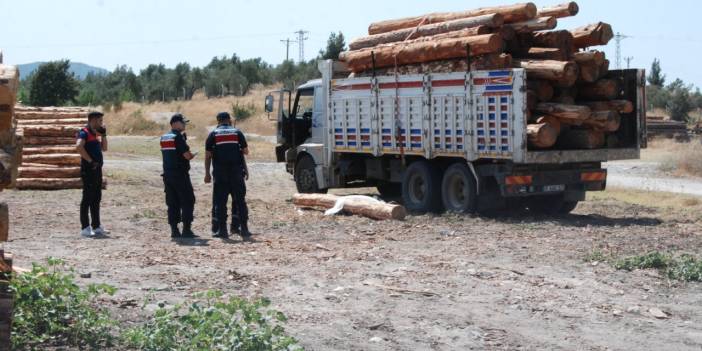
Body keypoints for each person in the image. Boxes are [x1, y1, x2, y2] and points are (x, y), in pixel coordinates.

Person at [205, 112, 251, 241]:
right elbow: (245, 152)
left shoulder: (213, 134)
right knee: (240, 201)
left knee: (220, 202)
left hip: (220, 174)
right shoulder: (237, 133)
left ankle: (222, 230)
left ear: (218, 121)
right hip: (236, 173)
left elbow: (208, 156)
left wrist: (207, 173)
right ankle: (244, 229)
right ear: (229, 120)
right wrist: (246, 169)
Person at [160, 114, 197, 239]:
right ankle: (187, 230)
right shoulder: (178, 137)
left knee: (172, 202)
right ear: (175, 123)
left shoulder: (164, 137)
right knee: (188, 200)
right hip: (180, 174)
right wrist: (193, 154)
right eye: (183, 122)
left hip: (168, 174)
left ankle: (174, 230)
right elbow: (187, 155)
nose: (184, 124)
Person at [76, 111, 108, 237]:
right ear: (93, 120)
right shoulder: (84, 132)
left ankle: (96, 225)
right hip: (88, 170)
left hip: (97, 170)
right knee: (87, 199)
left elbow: (104, 148)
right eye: (99, 121)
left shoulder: (95, 134)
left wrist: (104, 135)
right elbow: (78, 146)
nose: (101, 123)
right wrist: (90, 161)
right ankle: (85, 227)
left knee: (96, 198)